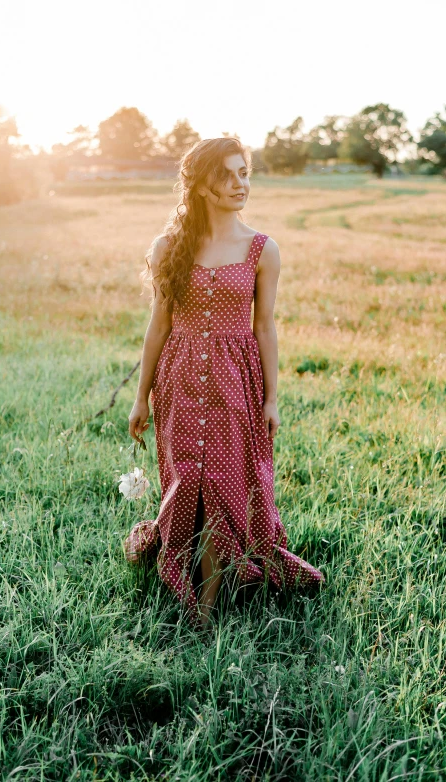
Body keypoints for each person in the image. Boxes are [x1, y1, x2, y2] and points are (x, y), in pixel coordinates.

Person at [124, 137, 324, 630]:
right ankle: (185, 560)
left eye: (245, 173)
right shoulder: (168, 247)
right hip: (179, 376)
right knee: (187, 477)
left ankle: (208, 604)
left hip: (237, 378)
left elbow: (264, 327)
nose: (241, 184)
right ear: (203, 184)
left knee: (224, 479)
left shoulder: (263, 249)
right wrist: (140, 395)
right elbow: (159, 324)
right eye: (229, 175)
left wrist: (273, 398)